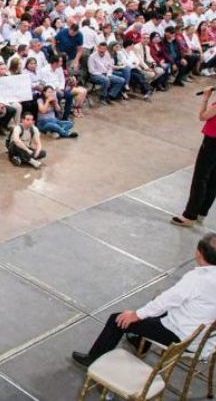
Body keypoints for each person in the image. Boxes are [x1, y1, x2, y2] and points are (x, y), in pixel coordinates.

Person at [72, 233, 216, 367]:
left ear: (200, 253)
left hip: (182, 336)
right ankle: (140, 341)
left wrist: (135, 315)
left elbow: (167, 301)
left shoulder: (197, 279)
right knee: (155, 306)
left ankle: (94, 359)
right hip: (204, 333)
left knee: (118, 320)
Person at [173, 86, 216, 227]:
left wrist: (205, 98)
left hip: (212, 142)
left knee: (200, 178)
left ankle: (189, 216)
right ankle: (201, 213)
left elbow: (202, 116)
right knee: (213, 179)